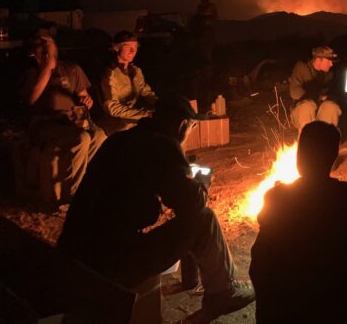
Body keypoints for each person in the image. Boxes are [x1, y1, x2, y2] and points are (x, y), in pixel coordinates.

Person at [57, 95, 254, 323]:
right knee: (204, 219)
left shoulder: (119, 140)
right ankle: (224, 292)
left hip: (74, 254)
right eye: (192, 126)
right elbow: (192, 206)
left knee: (187, 221)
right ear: (182, 125)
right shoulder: (164, 146)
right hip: (109, 265)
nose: (191, 130)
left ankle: (196, 282)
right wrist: (201, 185)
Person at [250, 121, 347, 324]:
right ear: (333, 159)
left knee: (265, 244)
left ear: (300, 157)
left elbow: (260, 260)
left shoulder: (277, 197)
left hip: (286, 310)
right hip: (340, 309)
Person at [21, 34, 106, 200]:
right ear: (34, 54)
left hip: (72, 119)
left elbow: (84, 95)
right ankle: (73, 195)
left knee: (100, 136)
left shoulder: (71, 68)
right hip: (46, 124)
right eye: (42, 45)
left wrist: (86, 100)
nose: (47, 48)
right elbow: (30, 99)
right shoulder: (32, 74)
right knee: (82, 139)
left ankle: (87, 183)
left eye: (49, 44)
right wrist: (47, 68)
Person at [99, 31, 158, 134]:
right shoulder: (109, 73)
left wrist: (162, 105)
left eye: (135, 47)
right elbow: (112, 107)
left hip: (132, 119)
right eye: (127, 46)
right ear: (116, 48)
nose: (133, 50)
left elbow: (147, 93)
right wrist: (145, 115)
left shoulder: (136, 71)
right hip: (114, 123)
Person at [288, 45, 341, 133]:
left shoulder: (329, 74)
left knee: (331, 107)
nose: (331, 64)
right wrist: (318, 97)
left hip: (320, 111)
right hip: (301, 111)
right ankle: (306, 142)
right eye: (329, 61)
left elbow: (333, 94)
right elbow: (294, 92)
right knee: (307, 106)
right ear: (318, 59)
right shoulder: (302, 67)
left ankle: (324, 142)